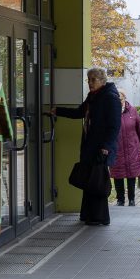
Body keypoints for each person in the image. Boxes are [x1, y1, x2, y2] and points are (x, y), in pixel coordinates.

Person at [55, 68, 121, 226]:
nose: (90, 83)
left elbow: (114, 126)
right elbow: (79, 112)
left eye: (93, 79)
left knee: (97, 181)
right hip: (89, 145)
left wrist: (106, 147)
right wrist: (58, 111)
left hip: (100, 147)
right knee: (89, 179)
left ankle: (100, 217)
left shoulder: (110, 98)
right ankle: (88, 215)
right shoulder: (93, 97)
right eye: (89, 79)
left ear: (102, 81)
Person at [110, 89, 140, 207]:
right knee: (118, 175)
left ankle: (132, 199)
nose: (118, 101)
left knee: (132, 175)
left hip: (132, 149)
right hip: (117, 149)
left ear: (124, 98)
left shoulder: (132, 111)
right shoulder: (110, 112)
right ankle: (120, 200)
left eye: (119, 99)